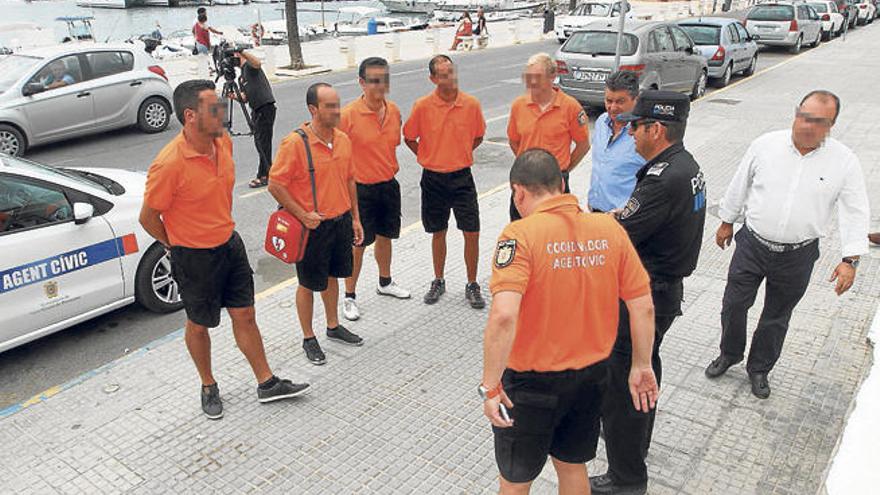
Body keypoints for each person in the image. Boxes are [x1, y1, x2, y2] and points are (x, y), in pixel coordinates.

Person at [481, 149, 658, 495]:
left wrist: (490, 387)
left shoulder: (519, 236)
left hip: (530, 386)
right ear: (561, 184)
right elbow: (644, 306)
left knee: (516, 480)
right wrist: (641, 364)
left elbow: (503, 316)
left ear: (519, 192)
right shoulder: (608, 228)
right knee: (572, 465)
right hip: (591, 377)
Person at [139, 80, 309, 420]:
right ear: (190, 116)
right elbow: (148, 217)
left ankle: (267, 382)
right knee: (199, 324)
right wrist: (177, 244)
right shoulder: (169, 163)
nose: (223, 112)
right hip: (193, 257)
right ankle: (208, 384)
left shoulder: (223, 142)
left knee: (245, 314)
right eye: (213, 108)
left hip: (229, 245)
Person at [706, 90, 870, 399]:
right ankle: (729, 353)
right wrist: (727, 220)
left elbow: (856, 210)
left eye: (818, 121)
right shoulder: (765, 145)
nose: (807, 125)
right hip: (752, 244)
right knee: (734, 303)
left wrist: (850, 260)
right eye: (803, 116)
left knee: (777, 315)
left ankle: (759, 369)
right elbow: (740, 183)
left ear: (831, 125)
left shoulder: (844, 161)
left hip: (798, 255)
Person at [590, 91, 706, 495]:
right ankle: (637, 443)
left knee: (624, 382)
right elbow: (636, 216)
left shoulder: (661, 179)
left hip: (644, 296)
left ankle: (625, 477)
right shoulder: (683, 165)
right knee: (646, 367)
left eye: (635, 126)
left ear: (656, 129)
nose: (629, 133)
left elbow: (620, 235)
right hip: (663, 292)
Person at [268, 83, 365, 366]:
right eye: (330, 106)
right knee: (308, 283)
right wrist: (302, 214)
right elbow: (275, 185)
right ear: (313, 109)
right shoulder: (295, 143)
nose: (337, 111)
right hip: (312, 227)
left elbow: (349, 180)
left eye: (337, 104)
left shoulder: (343, 140)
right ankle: (308, 337)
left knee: (333, 276)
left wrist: (355, 218)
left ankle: (333, 326)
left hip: (340, 221)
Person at [403, 55, 486, 309]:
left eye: (451, 72)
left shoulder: (470, 104)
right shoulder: (422, 106)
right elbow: (409, 137)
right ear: (433, 79)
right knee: (438, 231)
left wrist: (459, 153)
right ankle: (438, 279)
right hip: (433, 178)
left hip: (462, 177)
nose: (449, 78)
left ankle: (472, 283)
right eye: (442, 74)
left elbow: (478, 136)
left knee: (471, 231)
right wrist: (429, 156)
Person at [338, 57, 411, 322]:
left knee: (386, 237)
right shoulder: (347, 116)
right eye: (374, 81)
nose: (381, 86)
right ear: (361, 82)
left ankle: (385, 281)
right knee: (358, 244)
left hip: (388, 185)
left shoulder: (393, 111)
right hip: (360, 191)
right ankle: (349, 296)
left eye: (384, 80)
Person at [507, 53, 589, 221]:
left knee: (556, 231)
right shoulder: (518, 106)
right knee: (522, 230)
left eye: (538, 77)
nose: (533, 82)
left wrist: (562, 170)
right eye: (529, 76)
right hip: (525, 181)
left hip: (555, 184)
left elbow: (583, 145)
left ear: (553, 76)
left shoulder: (570, 107)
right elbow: (514, 141)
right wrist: (530, 164)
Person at [587, 71, 646, 213]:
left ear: (636, 100)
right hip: (595, 212)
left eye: (620, 102)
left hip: (623, 217)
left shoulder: (644, 134)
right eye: (608, 101)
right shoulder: (601, 122)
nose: (612, 108)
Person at [231, 49, 277, 189]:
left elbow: (257, 63)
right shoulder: (241, 77)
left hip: (265, 107)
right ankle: (268, 171)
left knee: (263, 143)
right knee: (260, 143)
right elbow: (245, 98)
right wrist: (234, 96)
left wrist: (241, 50)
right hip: (256, 110)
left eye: (233, 56)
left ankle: (264, 175)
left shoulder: (249, 67)